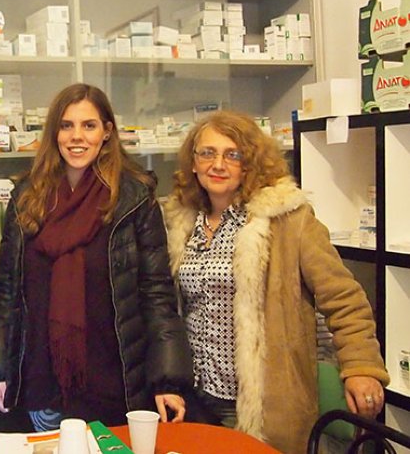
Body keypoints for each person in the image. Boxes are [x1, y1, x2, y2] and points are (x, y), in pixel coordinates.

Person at [163, 110, 390, 453]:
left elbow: (344, 298)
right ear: (193, 163)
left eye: (233, 154)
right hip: (196, 399)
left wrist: (362, 367)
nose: (218, 164)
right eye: (207, 153)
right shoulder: (180, 223)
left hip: (264, 402)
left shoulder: (288, 220)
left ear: (250, 163)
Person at [0, 83, 193, 431]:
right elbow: (7, 291)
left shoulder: (133, 199)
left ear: (107, 132)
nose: (76, 137)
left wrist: (167, 380)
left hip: (114, 383)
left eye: (89, 125)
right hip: (43, 382)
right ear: (54, 133)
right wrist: (0, 369)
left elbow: (156, 295)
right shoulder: (27, 197)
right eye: (66, 125)